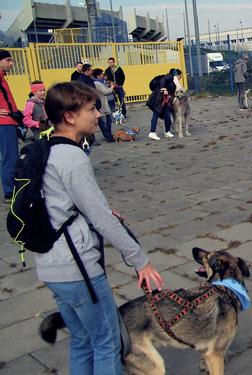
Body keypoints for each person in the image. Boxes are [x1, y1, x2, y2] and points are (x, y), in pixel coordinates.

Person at [39, 81, 164, 374]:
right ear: (70, 116)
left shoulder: (46, 150)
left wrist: (93, 213)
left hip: (50, 265)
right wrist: (139, 261)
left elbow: (58, 205)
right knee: (108, 342)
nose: (98, 114)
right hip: (77, 268)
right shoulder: (72, 158)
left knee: (83, 340)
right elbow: (101, 219)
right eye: (92, 109)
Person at [0, 49, 19, 204]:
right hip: (4, 124)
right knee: (10, 157)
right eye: (8, 60)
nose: (11, 63)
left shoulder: (3, 78)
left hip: (9, 122)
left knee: (10, 157)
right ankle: (9, 192)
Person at [146, 72, 176, 140]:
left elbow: (171, 92)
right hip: (159, 98)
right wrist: (163, 89)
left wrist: (168, 94)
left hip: (165, 100)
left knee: (167, 115)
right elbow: (163, 80)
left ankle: (167, 131)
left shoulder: (172, 81)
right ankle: (152, 132)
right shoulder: (170, 76)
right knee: (156, 114)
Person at [92, 69, 116, 142]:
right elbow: (105, 91)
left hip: (104, 103)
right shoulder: (97, 83)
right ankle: (108, 135)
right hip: (102, 104)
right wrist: (112, 87)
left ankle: (108, 134)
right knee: (104, 121)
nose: (103, 75)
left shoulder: (101, 82)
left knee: (107, 119)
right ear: (98, 75)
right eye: (102, 74)